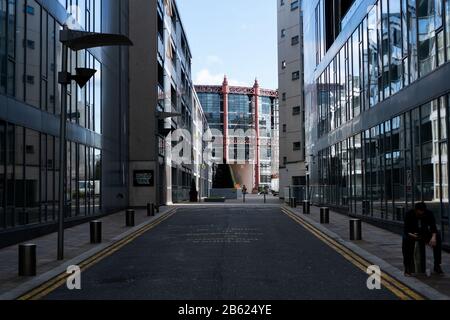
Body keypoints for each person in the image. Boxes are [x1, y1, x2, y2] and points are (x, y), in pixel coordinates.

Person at [402, 202, 443, 276]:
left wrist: (433, 238)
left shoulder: (429, 213)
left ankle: (437, 265)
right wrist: (414, 236)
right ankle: (407, 268)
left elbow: (433, 227)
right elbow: (406, 230)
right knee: (406, 242)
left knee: (438, 238)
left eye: (423, 211)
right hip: (412, 234)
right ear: (416, 210)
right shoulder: (409, 214)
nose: (421, 212)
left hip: (424, 233)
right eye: (420, 211)